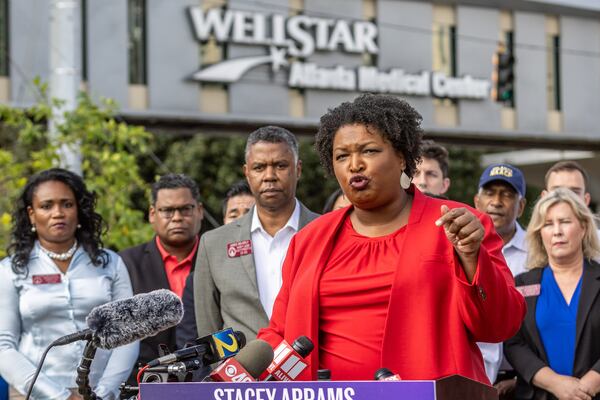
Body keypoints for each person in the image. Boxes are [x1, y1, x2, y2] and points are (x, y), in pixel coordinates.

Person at [257, 94, 525, 383]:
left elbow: (500, 325)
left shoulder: (457, 224)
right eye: (342, 156)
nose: (354, 165)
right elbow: (280, 333)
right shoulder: (309, 239)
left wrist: (473, 258)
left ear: (401, 157)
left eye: (369, 151)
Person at [0, 168, 138, 400]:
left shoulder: (110, 263)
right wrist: (58, 396)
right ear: (32, 214)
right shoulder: (10, 269)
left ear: (79, 210)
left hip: (103, 393)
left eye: (66, 204)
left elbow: (128, 334)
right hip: (32, 393)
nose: (58, 213)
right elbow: (3, 345)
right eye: (46, 206)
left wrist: (103, 393)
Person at [194, 126, 319, 341]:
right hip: (242, 370)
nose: (269, 176)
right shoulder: (213, 244)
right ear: (247, 173)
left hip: (312, 369)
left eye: (280, 166)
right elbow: (209, 329)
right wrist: (227, 373)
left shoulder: (326, 232)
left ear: (298, 169)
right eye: (259, 167)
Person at [504, 188, 600, 400]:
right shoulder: (521, 284)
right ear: (540, 233)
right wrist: (556, 384)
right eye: (548, 224)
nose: (557, 231)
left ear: (583, 227)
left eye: (565, 222)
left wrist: (589, 385)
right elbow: (512, 343)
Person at [120, 173, 204, 381]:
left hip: (207, 381)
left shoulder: (218, 258)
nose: (177, 217)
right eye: (167, 210)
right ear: (152, 213)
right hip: (142, 382)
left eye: (185, 209)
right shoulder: (126, 263)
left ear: (200, 211)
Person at [176, 179, 255, 349]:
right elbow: (193, 338)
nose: (240, 222)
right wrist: (220, 371)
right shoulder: (199, 278)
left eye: (248, 214)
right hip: (231, 369)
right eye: (233, 215)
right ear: (224, 221)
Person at [473, 163, 528, 389]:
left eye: (506, 194)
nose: (496, 201)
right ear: (477, 201)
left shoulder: (539, 252)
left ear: (521, 206)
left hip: (525, 380)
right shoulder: (459, 246)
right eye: (489, 193)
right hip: (475, 376)